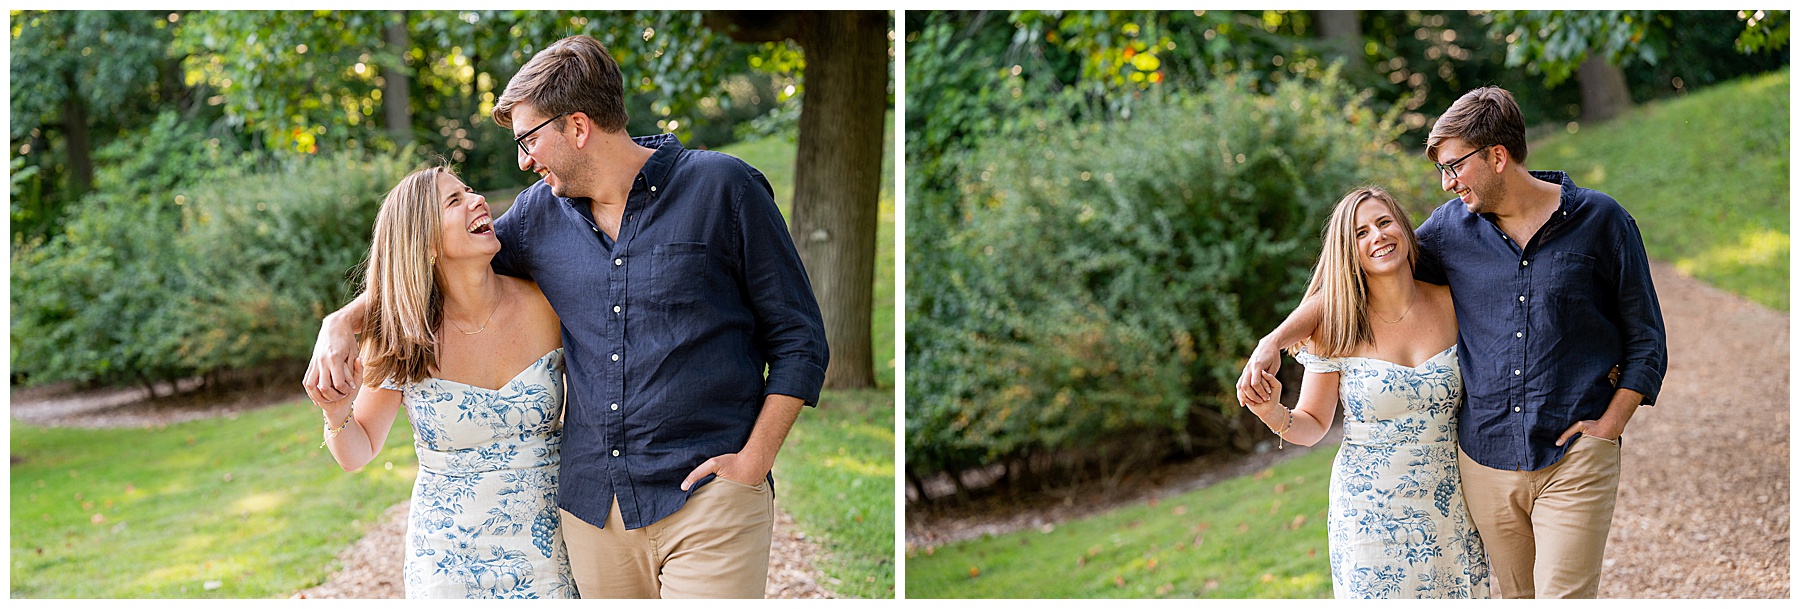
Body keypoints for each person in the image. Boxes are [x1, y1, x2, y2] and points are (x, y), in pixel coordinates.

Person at [305, 35, 829, 599]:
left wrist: (754, 461)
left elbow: (800, 337)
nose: (524, 161)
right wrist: (344, 320)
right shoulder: (540, 216)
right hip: (592, 516)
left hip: (707, 496)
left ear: (577, 127)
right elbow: (428, 268)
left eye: (528, 139)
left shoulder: (723, 188)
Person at [1238, 86, 1667, 598]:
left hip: (1575, 453)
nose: (1447, 184)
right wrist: (1274, 340)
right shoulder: (1450, 232)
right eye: (1441, 170)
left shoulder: (1602, 221)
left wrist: (1609, 426)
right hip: (1483, 466)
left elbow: (1646, 339)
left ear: (1497, 156)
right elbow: (1359, 276)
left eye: (1454, 166)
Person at [312, 166, 575, 598]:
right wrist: (335, 410)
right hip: (447, 563)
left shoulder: (547, 303)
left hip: (553, 550)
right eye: (454, 201)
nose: (478, 200)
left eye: (471, 190)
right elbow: (357, 453)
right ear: (426, 244)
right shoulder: (401, 334)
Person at [1241, 186, 1489, 598]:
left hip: (1451, 504)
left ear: (1406, 231)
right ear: (1348, 251)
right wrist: (1271, 411)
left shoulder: (1455, 304)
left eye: (1384, 222)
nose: (1377, 236)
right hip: (1369, 516)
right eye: (1360, 233)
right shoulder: (1335, 326)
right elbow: (1313, 424)